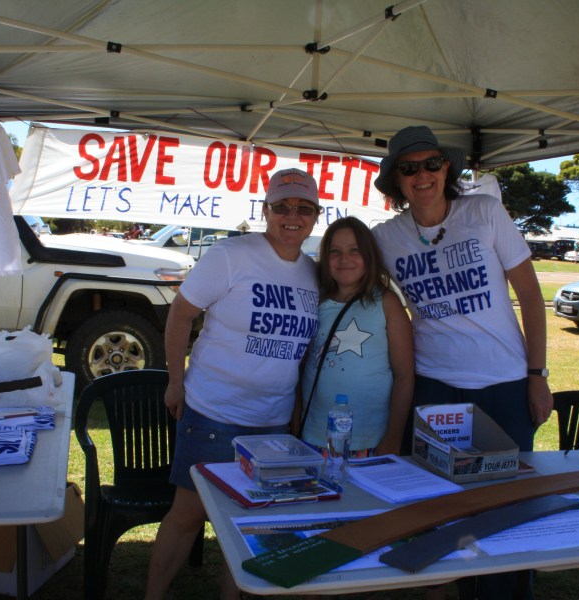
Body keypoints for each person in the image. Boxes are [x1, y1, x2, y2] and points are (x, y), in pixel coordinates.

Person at [371, 126, 553, 600]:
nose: (422, 175)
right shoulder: (385, 238)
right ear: (396, 181)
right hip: (436, 389)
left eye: (432, 163)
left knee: (505, 510)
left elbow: (531, 298)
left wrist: (537, 376)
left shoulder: (485, 212)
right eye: (409, 169)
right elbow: (344, 275)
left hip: (504, 385)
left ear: (447, 167)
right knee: (440, 507)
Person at [145, 168, 321, 600]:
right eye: (282, 206)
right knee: (188, 514)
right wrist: (175, 382)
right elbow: (180, 315)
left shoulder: (314, 274)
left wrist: (295, 412)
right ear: (267, 211)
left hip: (273, 424)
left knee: (250, 520)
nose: (292, 216)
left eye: (304, 208)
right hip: (213, 414)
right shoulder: (231, 255)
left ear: (317, 215)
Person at [296, 216, 414, 457]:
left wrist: (393, 437)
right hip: (313, 437)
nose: (344, 259)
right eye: (335, 252)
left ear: (369, 256)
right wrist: (296, 424)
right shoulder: (316, 302)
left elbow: (404, 376)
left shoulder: (387, 304)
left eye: (354, 250)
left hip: (369, 440)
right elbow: (300, 370)